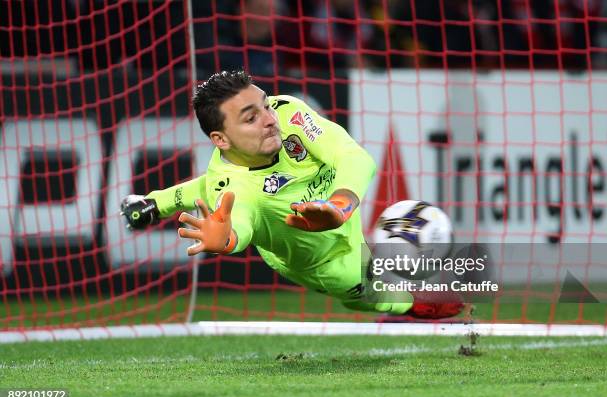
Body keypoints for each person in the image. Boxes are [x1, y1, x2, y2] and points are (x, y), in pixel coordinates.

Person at [120, 69, 463, 320]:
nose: (269, 119)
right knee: (381, 291)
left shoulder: (289, 113)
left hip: (341, 210)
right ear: (220, 139)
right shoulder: (232, 188)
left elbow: (352, 156)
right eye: (250, 118)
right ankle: (408, 309)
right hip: (319, 260)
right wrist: (227, 240)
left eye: (265, 106)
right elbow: (237, 220)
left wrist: (339, 205)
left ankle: (150, 203)